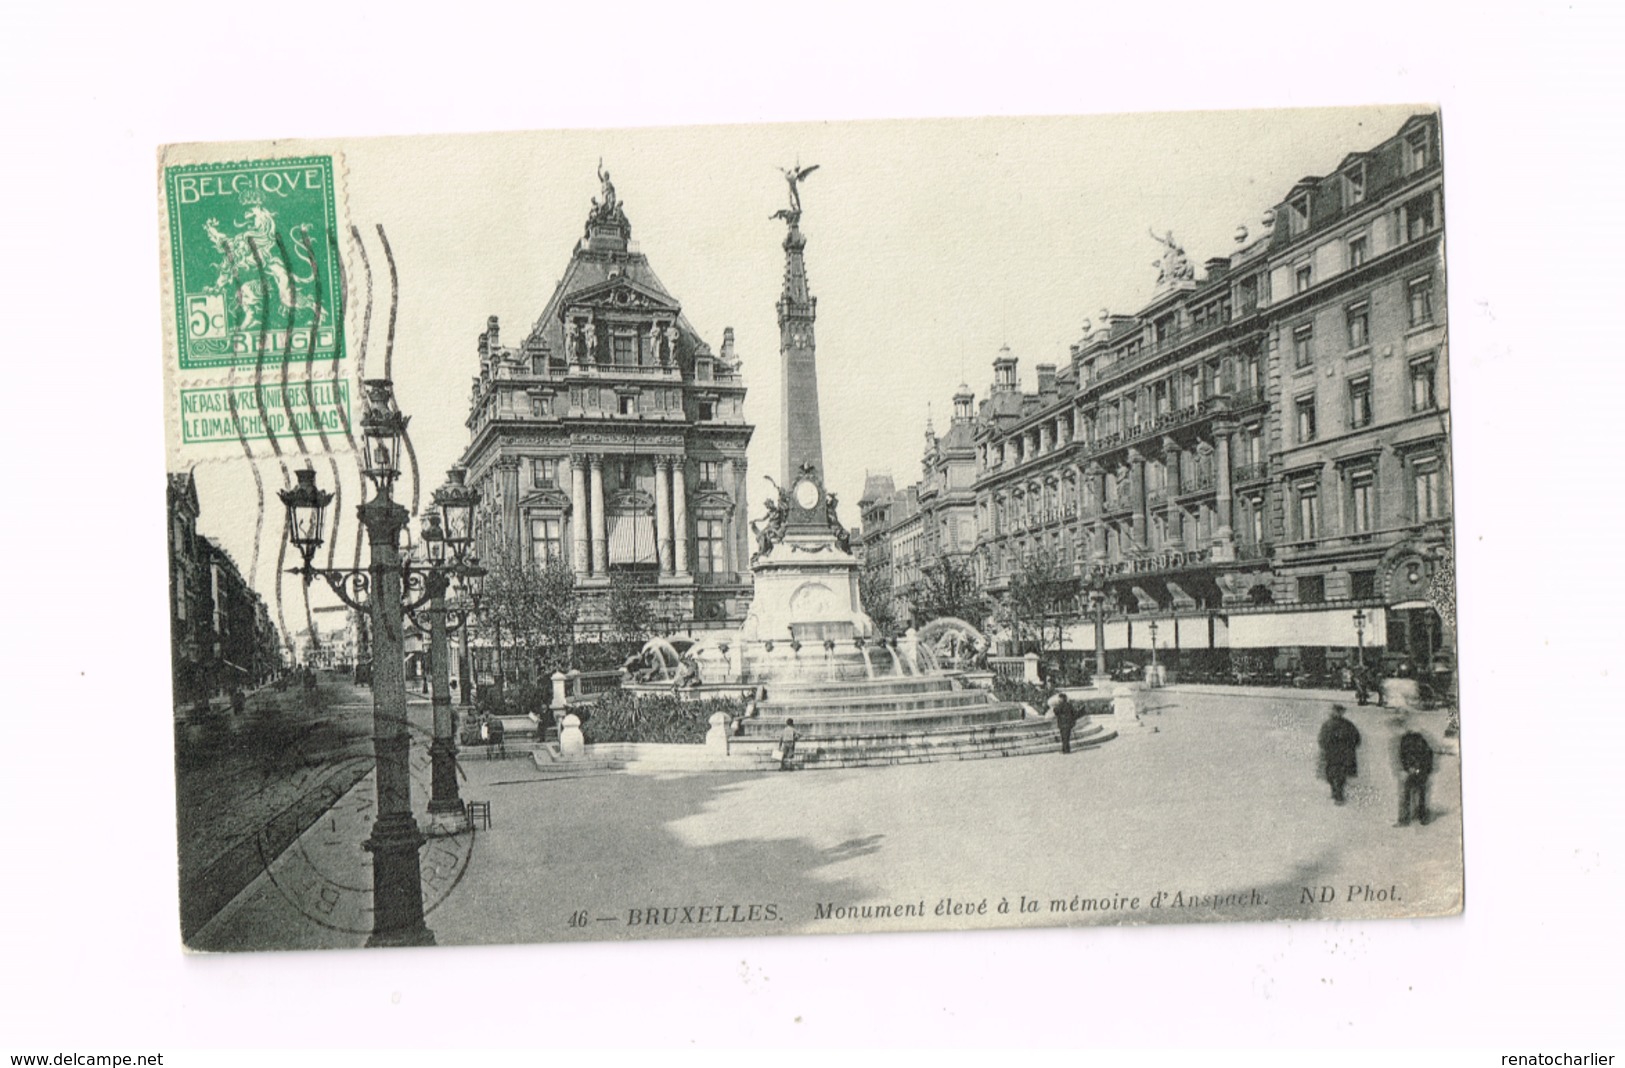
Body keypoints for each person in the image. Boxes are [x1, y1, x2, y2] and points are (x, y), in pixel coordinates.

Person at [1317, 704, 1362, 805]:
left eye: (1338, 711)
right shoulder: (1329, 724)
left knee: (1338, 776)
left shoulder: (1347, 725)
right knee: (1332, 775)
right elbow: (1322, 739)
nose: (1336, 713)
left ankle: (1338, 795)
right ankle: (1335, 792)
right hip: (1335, 755)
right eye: (1335, 711)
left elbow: (1356, 739)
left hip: (1340, 756)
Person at [1396, 722, 1435, 826]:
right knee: (1419, 794)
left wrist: (1411, 768)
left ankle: (1407, 819)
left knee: (1409, 794)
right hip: (1419, 771)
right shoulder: (1418, 740)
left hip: (1418, 771)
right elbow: (1427, 755)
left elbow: (1404, 756)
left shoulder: (1408, 740)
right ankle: (1421, 817)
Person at [1047, 689, 1079, 754]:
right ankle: (1067, 749)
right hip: (1068, 723)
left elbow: (1056, 712)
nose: (1059, 700)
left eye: (1059, 698)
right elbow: (1074, 713)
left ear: (1062, 699)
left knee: (1064, 737)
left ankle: (1065, 750)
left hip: (1063, 723)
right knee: (1067, 737)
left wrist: (1054, 707)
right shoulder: (1069, 705)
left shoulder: (1060, 705)